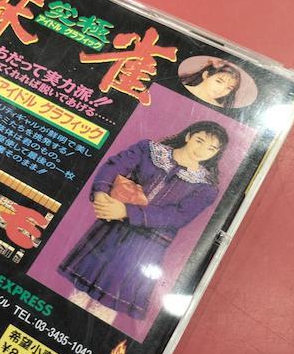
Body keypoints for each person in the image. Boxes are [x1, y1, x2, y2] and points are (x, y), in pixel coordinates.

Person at [58, 121, 229, 324]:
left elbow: (178, 216)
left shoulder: (207, 187)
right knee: (80, 291)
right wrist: (101, 193)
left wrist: (126, 211)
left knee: (108, 304)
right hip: (111, 229)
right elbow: (114, 166)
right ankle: (59, 327)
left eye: (211, 148)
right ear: (188, 136)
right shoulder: (148, 150)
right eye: (199, 141)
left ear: (216, 153)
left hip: (146, 246)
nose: (201, 150)